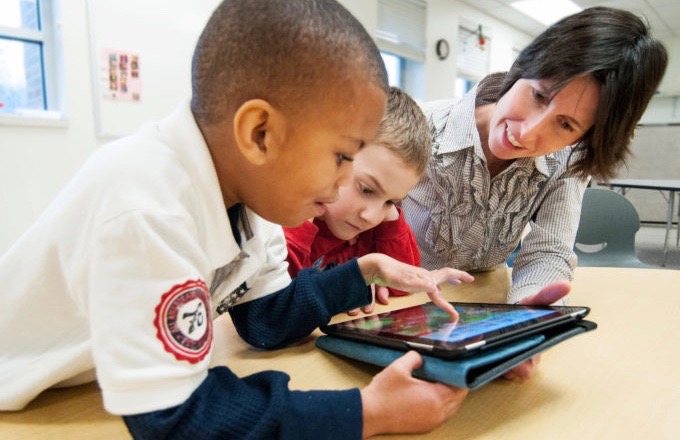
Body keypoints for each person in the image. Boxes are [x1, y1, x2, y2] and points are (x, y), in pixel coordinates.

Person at [0, 1, 479, 438]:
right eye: (340, 156)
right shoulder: (148, 204)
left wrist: (362, 270)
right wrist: (366, 412)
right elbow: (176, 419)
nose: (341, 185)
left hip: (84, 392)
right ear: (260, 133)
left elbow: (265, 321)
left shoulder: (248, 196)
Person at [401, 6, 668, 380]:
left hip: (474, 310)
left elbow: (548, 250)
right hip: (389, 307)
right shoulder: (418, 128)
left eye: (566, 124)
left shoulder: (567, 161)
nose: (528, 133)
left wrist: (528, 312)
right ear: (525, 68)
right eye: (540, 96)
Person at [284, 86, 454, 315]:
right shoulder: (284, 217)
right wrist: (351, 280)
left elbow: (401, 286)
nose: (371, 216)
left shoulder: (369, 225)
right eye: (366, 190)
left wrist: (390, 218)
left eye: (390, 201)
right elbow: (277, 303)